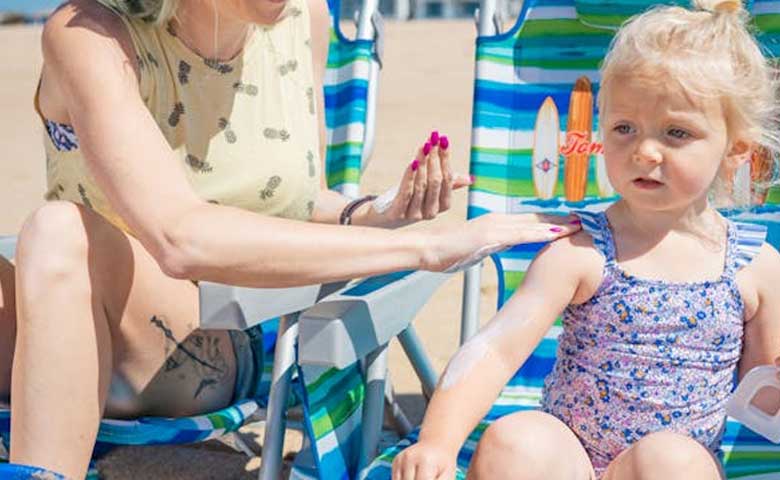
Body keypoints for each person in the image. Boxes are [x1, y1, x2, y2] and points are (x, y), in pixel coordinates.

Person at [0, 0, 581, 477]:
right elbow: (180, 235)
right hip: (62, 307)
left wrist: (375, 211)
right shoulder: (91, 37)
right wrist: (427, 250)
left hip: (206, 333)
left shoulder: (302, 19)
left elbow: (292, 200)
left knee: (57, 232)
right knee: (55, 238)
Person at [392, 0, 780, 478]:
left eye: (676, 132)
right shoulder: (583, 251)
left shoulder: (754, 267)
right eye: (624, 128)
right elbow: (495, 350)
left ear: (736, 152)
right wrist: (438, 442)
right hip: (568, 462)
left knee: (670, 459)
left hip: (670, 469)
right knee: (516, 440)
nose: (644, 151)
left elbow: (763, 395)